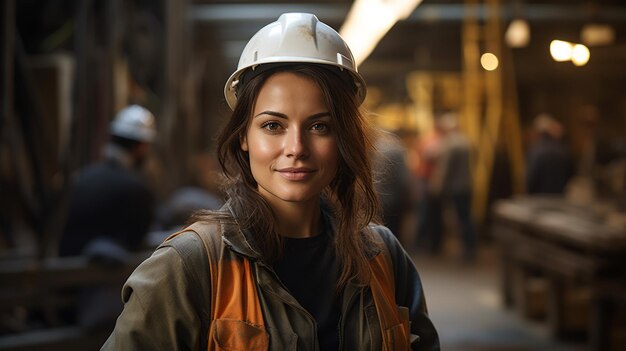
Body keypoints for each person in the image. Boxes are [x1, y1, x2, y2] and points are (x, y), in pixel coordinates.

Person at [102, 13, 439, 350]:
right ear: (244, 136)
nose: (296, 149)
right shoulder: (187, 267)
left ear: (343, 138)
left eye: (320, 126)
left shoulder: (382, 256)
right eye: (273, 126)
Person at [431, 112, 477, 262]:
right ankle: (471, 248)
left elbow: (446, 169)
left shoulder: (451, 144)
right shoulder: (465, 141)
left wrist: (437, 187)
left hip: (456, 188)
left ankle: (468, 251)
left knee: (461, 219)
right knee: (466, 218)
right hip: (466, 186)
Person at [525, 113, 574, 195]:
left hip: (539, 199)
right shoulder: (563, 150)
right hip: (560, 198)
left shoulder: (535, 151)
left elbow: (531, 178)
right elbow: (570, 175)